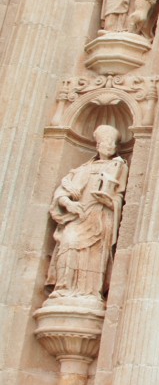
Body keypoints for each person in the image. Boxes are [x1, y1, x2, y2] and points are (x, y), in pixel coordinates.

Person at [46, 125, 129, 302]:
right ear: (98, 145)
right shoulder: (82, 169)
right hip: (78, 216)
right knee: (68, 242)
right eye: (106, 142)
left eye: (112, 143)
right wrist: (68, 203)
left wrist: (109, 202)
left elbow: (118, 197)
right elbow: (61, 193)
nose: (110, 146)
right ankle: (64, 288)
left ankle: (90, 292)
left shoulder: (119, 167)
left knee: (95, 254)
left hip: (100, 217)